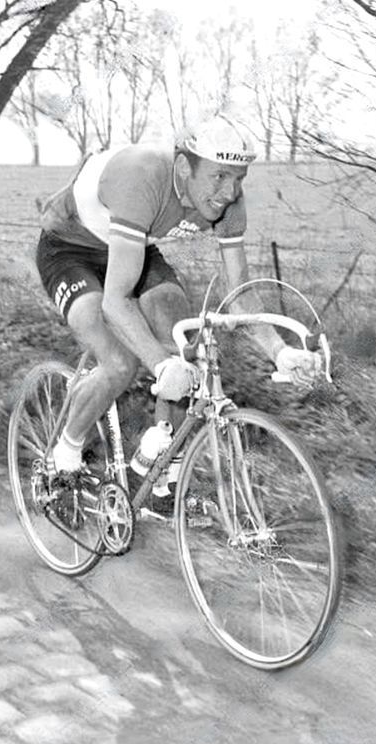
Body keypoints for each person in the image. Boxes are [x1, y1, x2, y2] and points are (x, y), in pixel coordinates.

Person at [35, 113, 322, 508]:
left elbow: (239, 293)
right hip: (69, 250)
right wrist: (159, 365)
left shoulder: (228, 204)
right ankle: (64, 457)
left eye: (239, 178)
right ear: (184, 166)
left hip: (133, 246)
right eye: (219, 176)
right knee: (120, 363)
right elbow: (115, 301)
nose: (229, 191)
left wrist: (281, 352)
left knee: (183, 339)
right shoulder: (143, 176)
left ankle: (158, 472)